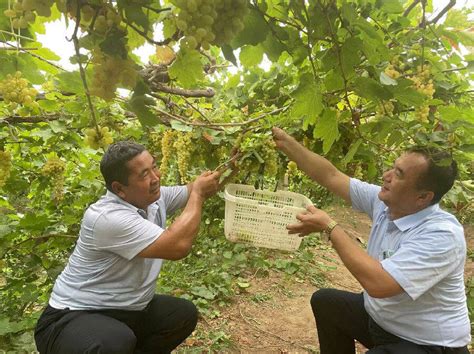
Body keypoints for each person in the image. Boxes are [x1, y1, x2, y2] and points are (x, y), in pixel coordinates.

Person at [272, 127, 470, 354]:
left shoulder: (442, 235)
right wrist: (287, 143)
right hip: (383, 323)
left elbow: (379, 284)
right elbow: (331, 176)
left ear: (423, 197)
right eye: (393, 168)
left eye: (399, 174)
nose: (386, 176)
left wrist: (330, 227)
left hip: (426, 344)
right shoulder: (386, 203)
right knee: (326, 302)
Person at [34, 141, 222, 354]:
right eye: (144, 174)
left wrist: (233, 162)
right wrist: (197, 195)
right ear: (119, 189)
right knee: (114, 341)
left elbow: (196, 188)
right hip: (70, 318)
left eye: (154, 166)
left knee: (181, 314)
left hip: (126, 312)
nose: (156, 177)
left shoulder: (151, 198)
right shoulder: (107, 218)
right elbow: (177, 246)